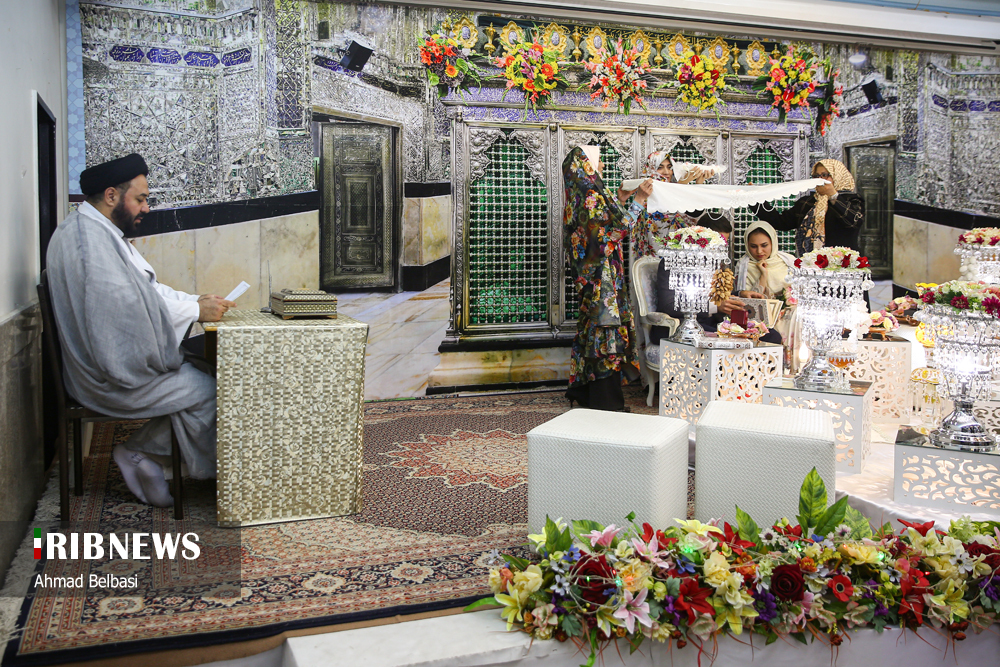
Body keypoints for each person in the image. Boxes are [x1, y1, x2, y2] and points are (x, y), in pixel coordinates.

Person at [45, 154, 235, 507]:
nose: (146, 208)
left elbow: (148, 292)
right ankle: (143, 454)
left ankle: (149, 458)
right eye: (141, 199)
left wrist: (195, 300)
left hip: (107, 364)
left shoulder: (100, 232)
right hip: (106, 376)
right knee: (214, 391)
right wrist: (195, 311)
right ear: (111, 196)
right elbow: (126, 311)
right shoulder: (88, 245)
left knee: (207, 372)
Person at [563, 146, 653, 411]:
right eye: (598, 161)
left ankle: (584, 392)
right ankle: (607, 403)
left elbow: (604, 224)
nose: (602, 166)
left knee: (593, 331)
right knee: (606, 333)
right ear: (587, 166)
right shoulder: (590, 196)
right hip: (602, 282)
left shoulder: (580, 196)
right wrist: (639, 201)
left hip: (595, 279)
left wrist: (621, 200)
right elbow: (613, 234)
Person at [649, 225, 783, 346]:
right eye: (718, 241)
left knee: (771, 336)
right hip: (681, 326)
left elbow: (715, 294)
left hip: (711, 323)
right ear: (701, 239)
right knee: (732, 340)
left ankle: (750, 367)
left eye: (724, 242)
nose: (721, 246)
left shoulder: (712, 262)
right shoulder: (672, 263)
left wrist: (740, 294)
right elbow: (668, 304)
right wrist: (715, 306)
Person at [749, 159, 865, 256]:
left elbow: (853, 222)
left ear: (837, 176)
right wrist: (753, 198)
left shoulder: (851, 200)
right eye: (816, 176)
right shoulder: (807, 202)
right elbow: (780, 222)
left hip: (842, 265)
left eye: (825, 175)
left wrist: (833, 196)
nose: (820, 179)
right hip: (811, 266)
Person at [633, 151, 728, 257]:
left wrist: (699, 183)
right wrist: (682, 184)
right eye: (660, 167)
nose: (667, 172)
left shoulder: (676, 189)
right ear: (650, 169)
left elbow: (693, 216)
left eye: (670, 167)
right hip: (654, 254)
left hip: (680, 255)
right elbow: (660, 221)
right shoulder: (644, 192)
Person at [734, 221, 796, 299]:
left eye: (764, 245)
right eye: (753, 246)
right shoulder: (743, 266)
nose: (759, 251)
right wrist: (763, 275)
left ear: (773, 243)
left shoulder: (789, 261)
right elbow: (750, 301)